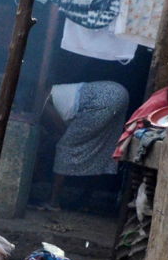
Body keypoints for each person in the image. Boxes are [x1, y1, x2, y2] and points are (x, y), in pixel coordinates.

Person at [40, 80, 130, 210]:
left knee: (64, 147)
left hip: (103, 100)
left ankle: (53, 202)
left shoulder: (44, 101)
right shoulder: (59, 89)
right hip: (119, 91)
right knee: (102, 149)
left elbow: (62, 130)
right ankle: (86, 199)